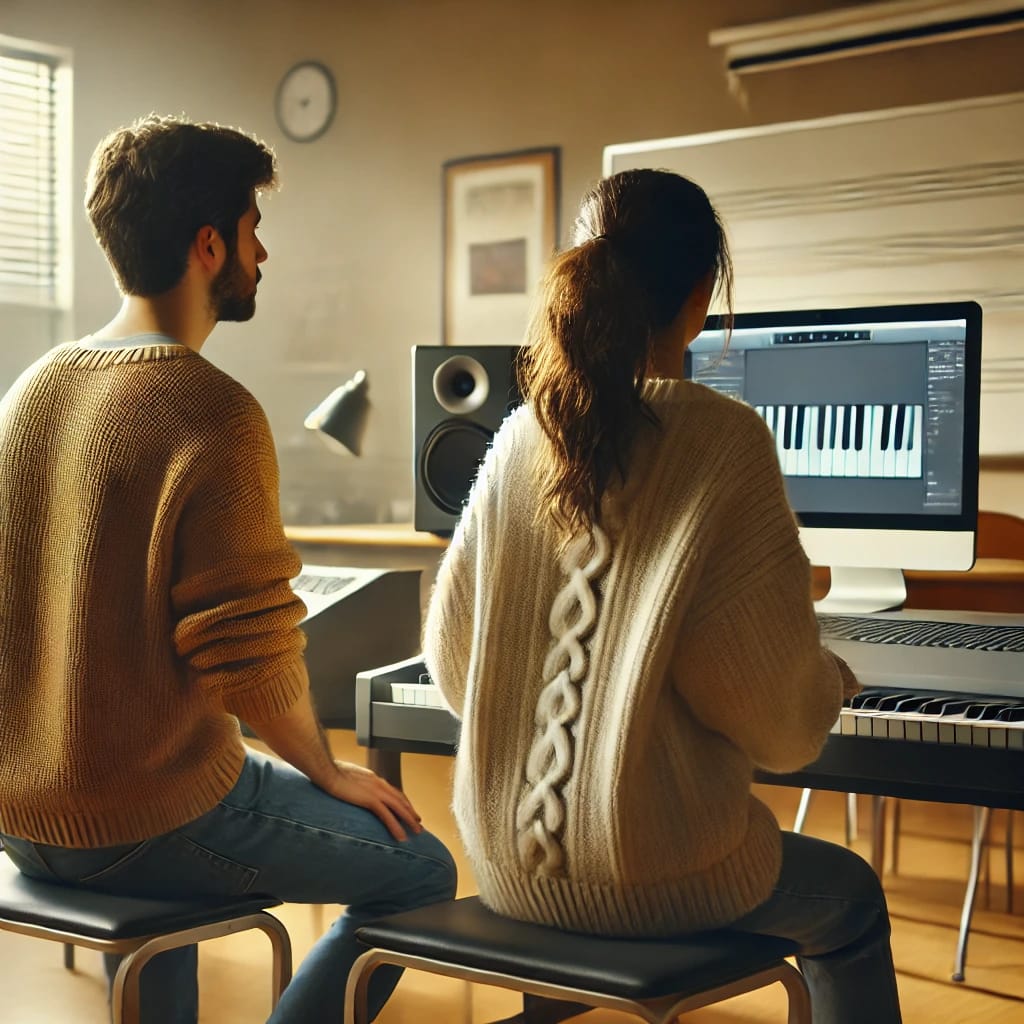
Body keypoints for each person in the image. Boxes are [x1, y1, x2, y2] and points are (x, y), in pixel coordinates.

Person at [0, 114, 456, 1024]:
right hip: (138, 815)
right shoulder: (213, 414)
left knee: (194, 817)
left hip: (18, 814)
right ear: (209, 245)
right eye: (253, 228)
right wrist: (326, 772)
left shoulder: (32, 388)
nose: (263, 252)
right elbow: (248, 653)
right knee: (422, 871)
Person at [423, 168, 902, 1023]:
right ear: (701, 294)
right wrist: (827, 680)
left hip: (503, 863)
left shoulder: (520, 433)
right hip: (665, 879)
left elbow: (454, 665)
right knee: (855, 897)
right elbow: (780, 726)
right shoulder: (725, 441)